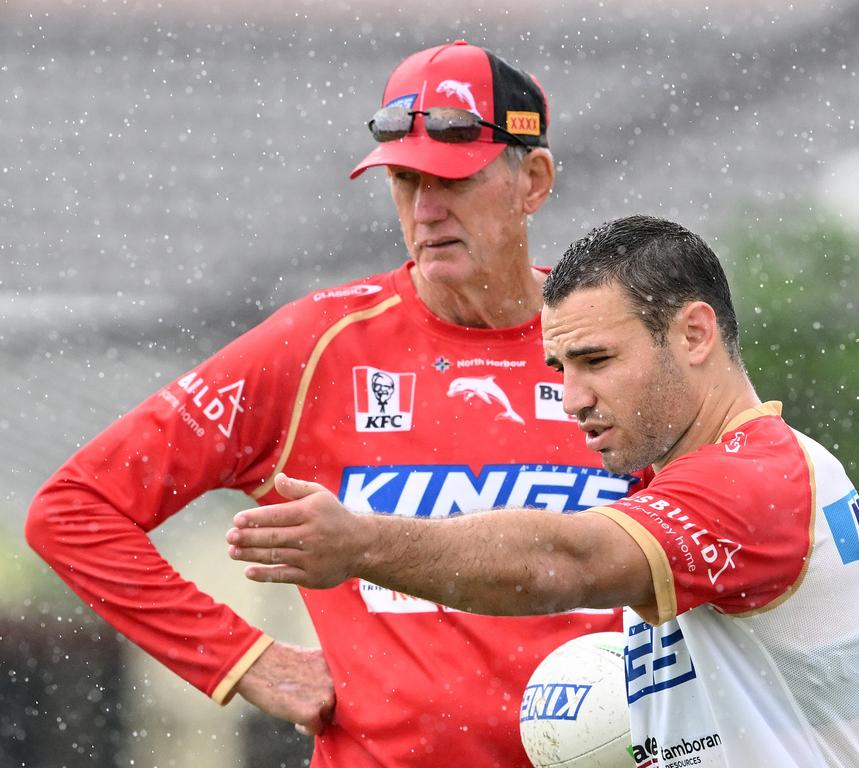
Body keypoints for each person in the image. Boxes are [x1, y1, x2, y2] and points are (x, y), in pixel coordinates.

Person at [25, 41, 641, 767]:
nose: (427, 209)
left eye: (454, 180)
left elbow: (726, 534)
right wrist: (246, 659)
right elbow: (74, 512)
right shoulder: (318, 343)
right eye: (406, 181)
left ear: (532, 181)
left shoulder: (618, 339)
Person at [226, 215, 859, 767]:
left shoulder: (753, 479)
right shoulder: (718, 477)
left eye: (598, 361)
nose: (570, 398)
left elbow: (565, 561)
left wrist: (364, 543)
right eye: (559, 366)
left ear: (695, 333)